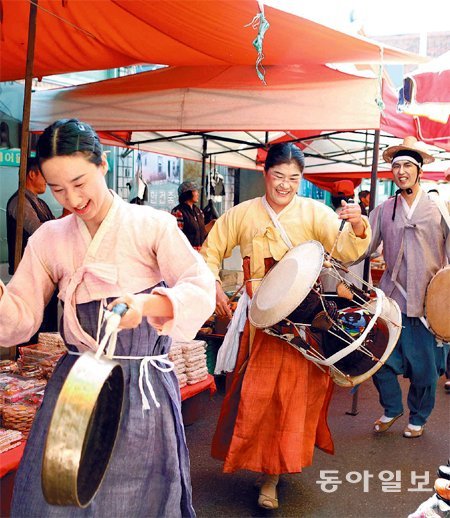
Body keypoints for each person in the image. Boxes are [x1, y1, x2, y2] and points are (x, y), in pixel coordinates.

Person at [0, 119, 216, 517]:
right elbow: (20, 319)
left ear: (102, 165)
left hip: (141, 386)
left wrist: (147, 306)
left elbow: (200, 285)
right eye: (58, 189)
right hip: (77, 383)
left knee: (136, 498)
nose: (71, 199)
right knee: (61, 495)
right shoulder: (49, 238)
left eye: (79, 183)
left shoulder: (150, 225)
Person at [200, 142, 370, 511]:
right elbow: (210, 250)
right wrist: (212, 282)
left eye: (294, 179)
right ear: (265, 173)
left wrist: (356, 223)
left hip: (301, 322)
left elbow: (346, 250)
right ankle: (260, 464)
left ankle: (273, 475)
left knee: (290, 400)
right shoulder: (242, 214)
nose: (285, 185)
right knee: (255, 396)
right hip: (259, 322)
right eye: (278, 176)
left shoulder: (314, 212)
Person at [365, 136, 449, 439]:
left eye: (407, 166)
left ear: (419, 171)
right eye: (396, 166)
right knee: (378, 358)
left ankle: (419, 416)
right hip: (391, 299)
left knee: (425, 371)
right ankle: (391, 407)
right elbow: (365, 247)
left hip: (428, 302)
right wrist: (357, 228)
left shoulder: (438, 207)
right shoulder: (385, 209)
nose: (401, 171)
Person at [6, 156, 58, 338]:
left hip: (45, 275)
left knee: (47, 331)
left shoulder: (40, 203)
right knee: (31, 332)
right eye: (44, 175)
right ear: (32, 174)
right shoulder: (19, 202)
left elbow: (55, 230)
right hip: (28, 276)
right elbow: (39, 231)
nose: (48, 181)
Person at [171, 181, 211, 251]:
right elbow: (177, 236)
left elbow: (201, 231)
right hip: (187, 253)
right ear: (187, 194)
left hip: (201, 253)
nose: (198, 194)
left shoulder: (199, 211)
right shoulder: (178, 212)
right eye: (195, 191)